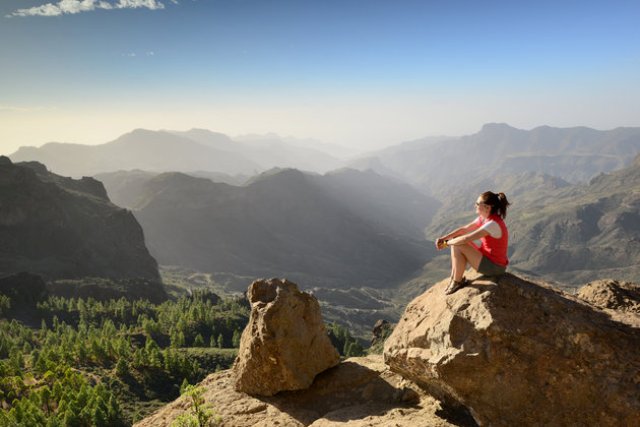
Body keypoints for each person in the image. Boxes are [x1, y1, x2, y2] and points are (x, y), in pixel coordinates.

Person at [435, 191, 510, 295]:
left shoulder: (492, 224)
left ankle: (457, 281)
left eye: (477, 204)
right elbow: (464, 229)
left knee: (458, 243)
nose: (475, 205)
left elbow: (466, 238)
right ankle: (455, 278)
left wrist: (446, 243)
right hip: (488, 258)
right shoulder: (484, 218)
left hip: (495, 267)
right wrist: (444, 238)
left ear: (487, 207)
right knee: (457, 240)